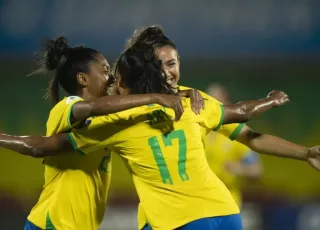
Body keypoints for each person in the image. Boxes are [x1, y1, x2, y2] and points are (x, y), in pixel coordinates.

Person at [0, 42, 315, 230]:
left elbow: (245, 129)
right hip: (222, 214)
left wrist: (302, 151)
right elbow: (242, 117)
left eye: (174, 62)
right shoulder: (76, 108)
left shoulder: (120, 122)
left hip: (177, 220)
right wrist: (270, 100)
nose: (110, 77)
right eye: (105, 69)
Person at [123, 25, 320, 230]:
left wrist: (305, 153)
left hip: (194, 217)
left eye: (172, 63)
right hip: (194, 216)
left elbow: (250, 136)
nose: (167, 73)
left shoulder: (196, 104)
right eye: (158, 66)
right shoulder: (126, 111)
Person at [17, 36, 195, 230]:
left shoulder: (106, 116)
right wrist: (156, 97)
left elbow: (125, 99)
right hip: (53, 223)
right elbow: (91, 109)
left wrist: (179, 93)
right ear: (82, 79)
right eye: (105, 71)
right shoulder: (67, 107)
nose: (110, 78)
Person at [205, 83, 262, 207]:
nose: (212, 107)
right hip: (202, 202)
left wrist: (239, 169)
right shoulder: (200, 131)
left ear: (226, 103)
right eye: (209, 102)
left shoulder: (237, 133)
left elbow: (256, 170)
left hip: (228, 203)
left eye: (216, 102)